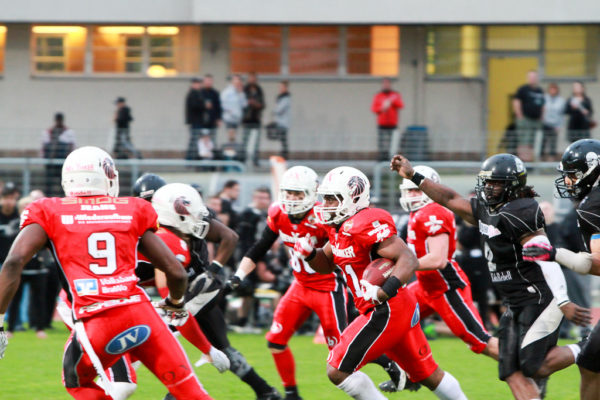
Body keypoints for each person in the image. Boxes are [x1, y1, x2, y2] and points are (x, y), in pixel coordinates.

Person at [0, 146, 211, 399]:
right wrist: (175, 304)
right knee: (190, 391)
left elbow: (14, 262)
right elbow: (176, 272)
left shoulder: (48, 210)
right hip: (141, 311)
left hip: (95, 319)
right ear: (108, 176)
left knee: (77, 381)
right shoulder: (133, 208)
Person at [391, 153, 591, 399]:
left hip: (539, 298)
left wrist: (563, 300)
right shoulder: (486, 209)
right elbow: (450, 198)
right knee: (509, 369)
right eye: (486, 182)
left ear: (513, 184)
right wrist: (414, 176)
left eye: (495, 182)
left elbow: (544, 257)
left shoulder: (521, 211)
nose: (489, 187)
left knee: (533, 365)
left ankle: (588, 347)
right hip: (515, 300)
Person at [295, 166, 468, 400]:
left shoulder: (364, 222)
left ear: (353, 198)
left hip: (386, 307)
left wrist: (383, 292)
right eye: (324, 198)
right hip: (392, 306)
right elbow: (326, 264)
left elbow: (407, 258)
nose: (325, 204)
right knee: (428, 374)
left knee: (337, 370)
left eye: (332, 198)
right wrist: (309, 254)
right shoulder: (338, 227)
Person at [143, 182, 282, 400]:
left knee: (165, 348)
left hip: (192, 293)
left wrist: (213, 271)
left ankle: (177, 394)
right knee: (210, 348)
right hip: (187, 292)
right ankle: (264, 391)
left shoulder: (171, 231)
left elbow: (229, 237)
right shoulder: (162, 232)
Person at [524, 139, 600, 400]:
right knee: (590, 362)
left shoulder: (592, 206)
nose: (568, 182)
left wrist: (557, 254)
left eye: (572, 176)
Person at [399, 165, 498, 359]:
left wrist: (401, 267)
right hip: (425, 286)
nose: (412, 194)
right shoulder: (417, 213)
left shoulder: (433, 211)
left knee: (480, 341)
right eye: (408, 189)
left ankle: (530, 367)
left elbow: (438, 259)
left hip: (445, 287)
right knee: (392, 318)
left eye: (416, 189)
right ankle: (413, 371)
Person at [513, 70, 545, 162]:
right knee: (524, 142)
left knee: (534, 142)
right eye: (531, 77)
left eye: (534, 77)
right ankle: (523, 161)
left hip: (536, 121)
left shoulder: (540, 90)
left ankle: (532, 161)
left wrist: (541, 117)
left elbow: (543, 105)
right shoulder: (522, 89)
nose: (533, 79)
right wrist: (520, 116)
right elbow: (516, 102)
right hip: (525, 120)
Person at [41, 112, 76, 196]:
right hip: (51, 162)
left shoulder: (68, 132)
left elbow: (72, 146)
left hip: (63, 161)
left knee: (63, 182)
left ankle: (63, 196)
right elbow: (44, 147)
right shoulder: (48, 132)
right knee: (48, 183)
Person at [371, 78, 404, 161]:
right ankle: (382, 159)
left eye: (387, 84)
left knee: (392, 144)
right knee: (382, 144)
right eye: (384, 84)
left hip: (392, 124)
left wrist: (392, 102)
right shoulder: (378, 96)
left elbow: (401, 105)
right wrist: (382, 108)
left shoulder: (395, 95)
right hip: (382, 124)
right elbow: (374, 109)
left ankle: (392, 159)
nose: (386, 86)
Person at [186, 77, 214, 160]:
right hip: (195, 121)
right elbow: (195, 106)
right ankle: (190, 158)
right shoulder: (193, 94)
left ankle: (192, 158)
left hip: (198, 121)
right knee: (194, 140)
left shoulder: (197, 93)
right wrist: (205, 106)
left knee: (196, 140)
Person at [242, 72, 265, 166]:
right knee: (245, 141)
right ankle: (243, 159)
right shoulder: (244, 90)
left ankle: (255, 160)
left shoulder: (259, 90)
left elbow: (262, 104)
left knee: (256, 142)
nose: (252, 80)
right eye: (251, 78)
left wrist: (255, 104)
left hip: (256, 119)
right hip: (247, 119)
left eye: (254, 78)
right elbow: (242, 103)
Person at [221, 74, 248, 143]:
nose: (237, 81)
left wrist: (240, 93)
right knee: (230, 136)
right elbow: (223, 104)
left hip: (237, 119)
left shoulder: (241, 93)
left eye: (238, 80)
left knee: (236, 137)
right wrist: (230, 112)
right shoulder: (227, 92)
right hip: (229, 118)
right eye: (236, 80)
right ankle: (229, 151)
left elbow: (244, 105)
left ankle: (234, 152)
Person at [542, 83, 565, 160]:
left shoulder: (561, 101)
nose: (553, 91)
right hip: (545, 124)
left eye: (554, 89)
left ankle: (551, 158)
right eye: (551, 89)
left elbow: (562, 115)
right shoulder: (545, 98)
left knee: (553, 143)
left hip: (555, 125)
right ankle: (541, 158)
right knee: (543, 141)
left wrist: (559, 126)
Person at [199, 74, 222, 146]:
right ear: (204, 82)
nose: (208, 82)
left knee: (212, 140)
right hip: (201, 122)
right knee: (201, 141)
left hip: (212, 121)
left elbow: (219, 107)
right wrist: (204, 106)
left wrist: (219, 119)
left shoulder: (215, 93)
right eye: (207, 81)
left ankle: (211, 155)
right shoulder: (200, 92)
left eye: (210, 81)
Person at [272, 81, 291, 159]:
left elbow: (279, 110)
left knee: (283, 139)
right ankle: (283, 154)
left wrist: (274, 111)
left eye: (282, 87)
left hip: (283, 123)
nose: (280, 89)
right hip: (280, 122)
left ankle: (284, 155)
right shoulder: (281, 97)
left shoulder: (286, 98)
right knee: (281, 139)